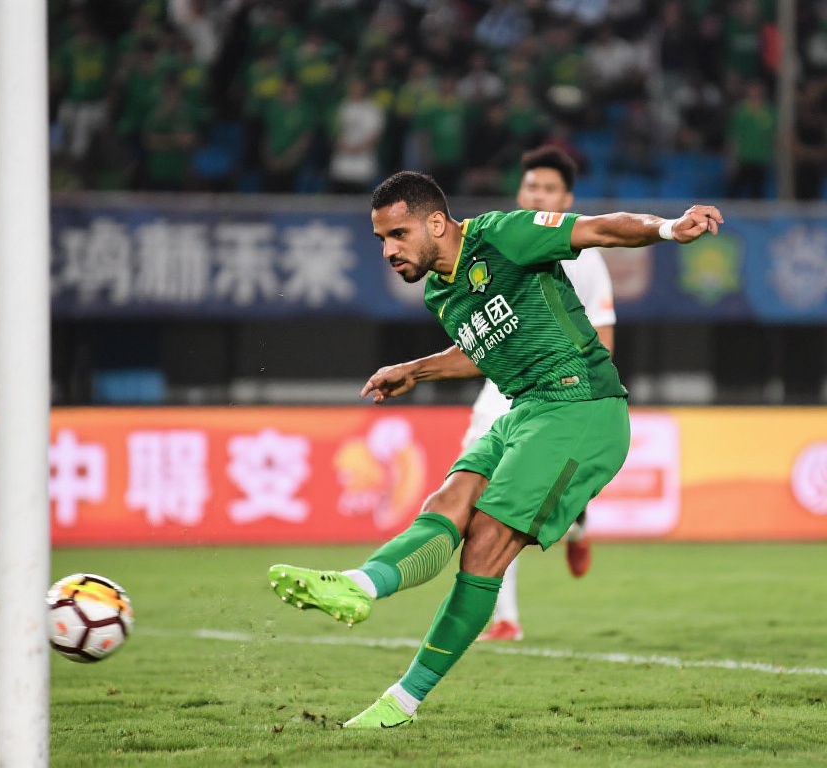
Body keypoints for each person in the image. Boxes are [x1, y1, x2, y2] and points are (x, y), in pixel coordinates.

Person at [267, 170, 723, 728]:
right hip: (524, 411)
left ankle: (402, 701)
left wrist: (671, 228)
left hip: (580, 407)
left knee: (485, 545)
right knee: (448, 502)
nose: (389, 251)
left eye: (399, 234)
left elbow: (600, 229)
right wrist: (415, 369)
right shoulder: (440, 291)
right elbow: (481, 349)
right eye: (382, 239)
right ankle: (360, 585)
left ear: (437, 223)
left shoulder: (502, 236)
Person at [467, 146, 616, 643]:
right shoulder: (494, 247)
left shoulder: (586, 257)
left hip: (560, 397)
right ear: (519, 192)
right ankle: (505, 617)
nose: (538, 195)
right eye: (532, 186)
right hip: (499, 394)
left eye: (550, 189)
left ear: (567, 200)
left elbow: (603, 337)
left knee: (531, 504)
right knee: (488, 500)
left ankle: (575, 523)